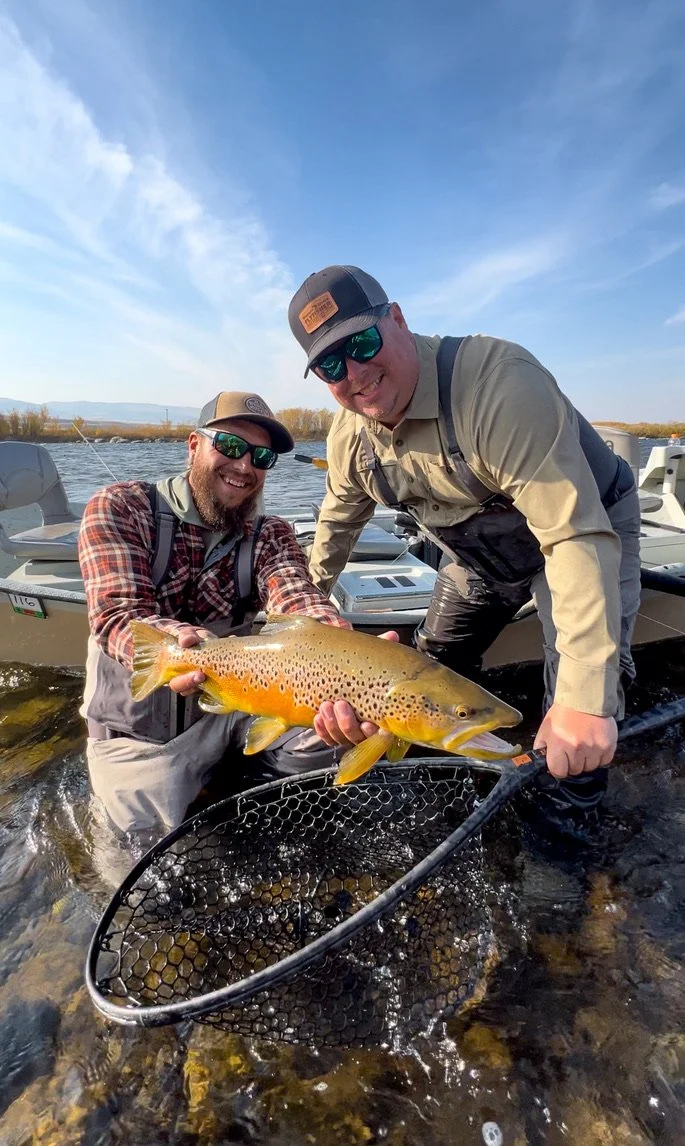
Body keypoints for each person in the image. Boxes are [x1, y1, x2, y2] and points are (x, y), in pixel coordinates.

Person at [288, 265, 642, 813]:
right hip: (478, 557)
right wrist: (300, 613)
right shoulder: (349, 438)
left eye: (361, 342)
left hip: (582, 532)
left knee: (582, 699)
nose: (354, 372)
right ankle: (452, 779)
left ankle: (562, 851)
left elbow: (573, 538)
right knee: (434, 662)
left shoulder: (498, 385)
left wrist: (584, 702)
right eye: (331, 364)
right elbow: (335, 530)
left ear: (397, 319)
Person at [78, 390, 367, 839]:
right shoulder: (121, 507)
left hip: (237, 708)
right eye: (230, 447)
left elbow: (295, 593)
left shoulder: (271, 533)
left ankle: (251, 797)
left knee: (333, 741)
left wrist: (334, 637)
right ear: (194, 445)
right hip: (141, 732)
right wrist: (179, 647)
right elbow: (119, 615)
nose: (245, 467)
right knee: (141, 857)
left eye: (262, 457)